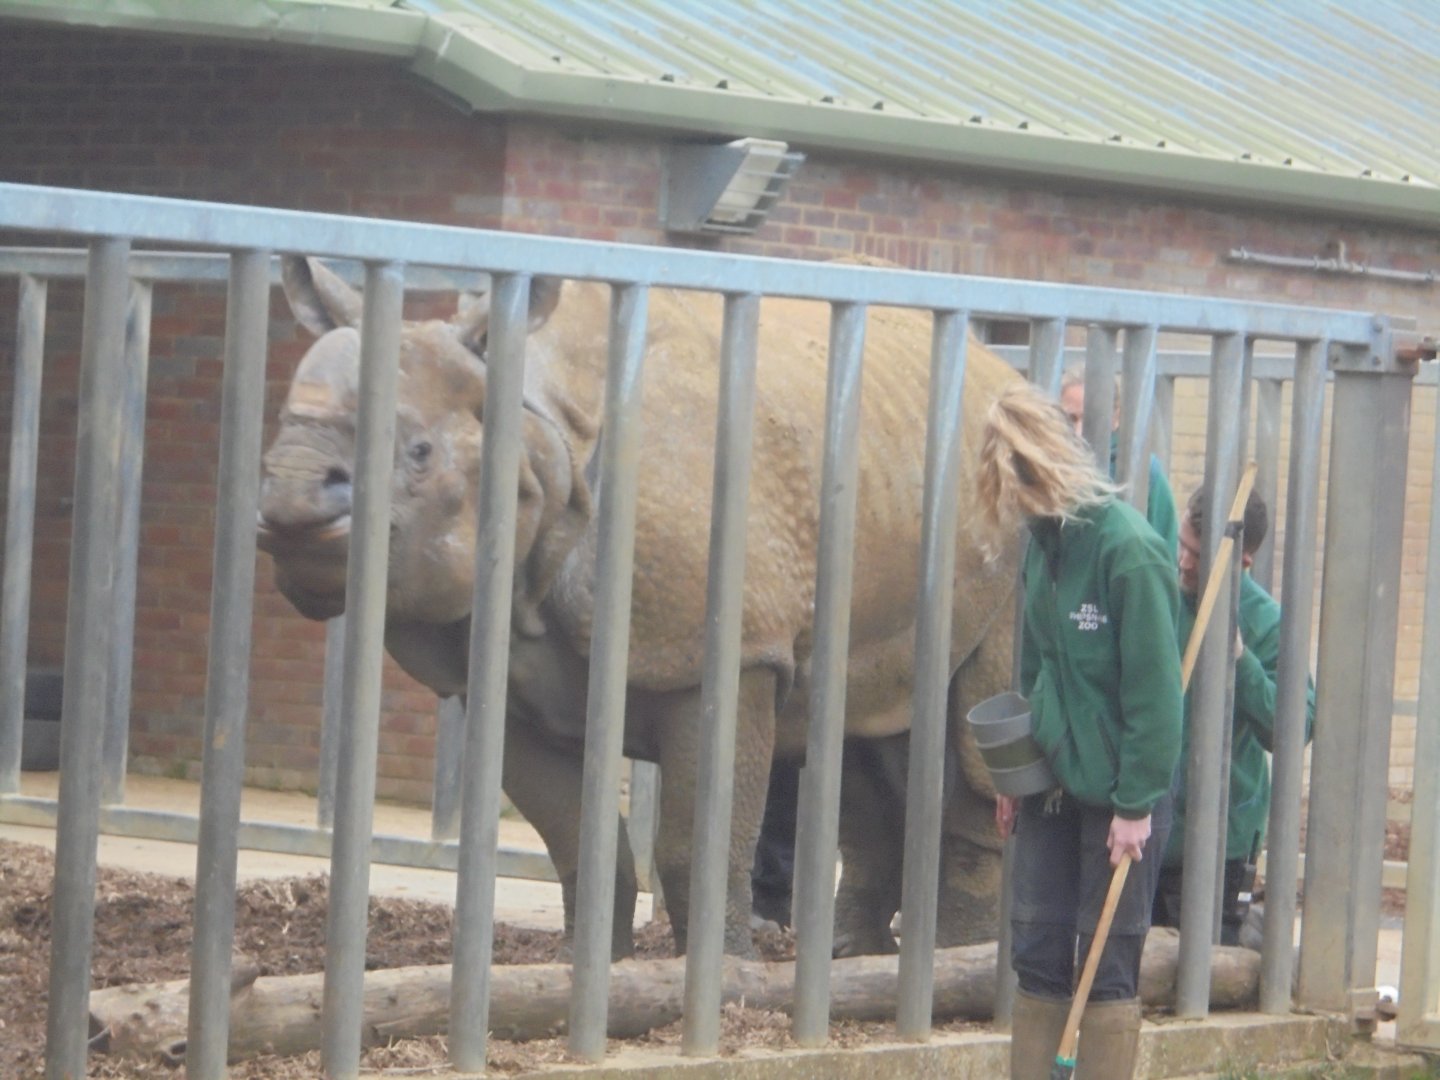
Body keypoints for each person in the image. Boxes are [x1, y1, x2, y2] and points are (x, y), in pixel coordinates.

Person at [981, 381, 1183, 1080]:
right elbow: (1036, 667)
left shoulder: (1130, 553)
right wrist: (1016, 777)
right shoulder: (1043, 545)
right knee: (1036, 947)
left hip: (1121, 790)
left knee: (1108, 962)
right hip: (1053, 783)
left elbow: (1156, 696)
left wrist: (1135, 806)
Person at [1151, 486, 1316, 946]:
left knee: (1207, 968)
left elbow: (1292, 728)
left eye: (1199, 556)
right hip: (1144, 824)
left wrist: (1239, 659)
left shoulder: (1266, 622)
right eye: (1182, 544)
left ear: (1244, 562)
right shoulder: (1156, 593)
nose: (1183, 562)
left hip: (1221, 837)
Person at [1059, 365, 1179, 558]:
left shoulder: (1143, 472)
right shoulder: (1048, 467)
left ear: (1115, 416)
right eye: (1071, 418)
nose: (1079, 432)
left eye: (1090, 418)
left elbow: (1166, 550)